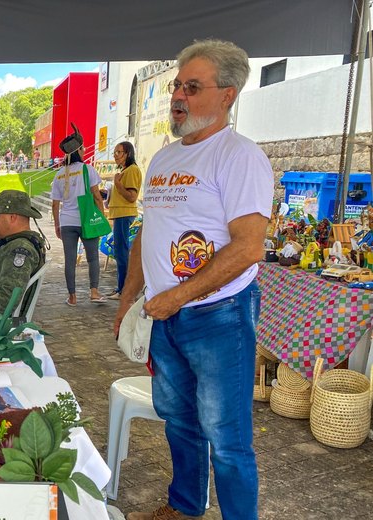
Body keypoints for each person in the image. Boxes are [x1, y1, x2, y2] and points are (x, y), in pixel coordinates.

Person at [114, 40, 272, 520]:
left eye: (193, 86)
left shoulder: (239, 156)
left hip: (218, 316)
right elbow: (147, 234)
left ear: (227, 95)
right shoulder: (163, 158)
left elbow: (248, 247)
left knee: (227, 438)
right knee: (179, 421)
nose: (178, 96)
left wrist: (175, 297)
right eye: (177, 85)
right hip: (165, 315)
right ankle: (186, 505)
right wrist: (128, 299)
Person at [50, 125, 106, 306]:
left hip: (67, 221)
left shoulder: (59, 174)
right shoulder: (88, 170)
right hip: (86, 220)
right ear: (80, 151)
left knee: (70, 260)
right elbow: (97, 196)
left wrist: (57, 225)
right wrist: (101, 216)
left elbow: (55, 204)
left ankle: (72, 297)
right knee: (92, 257)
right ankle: (94, 292)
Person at [106, 141, 142, 300]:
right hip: (119, 213)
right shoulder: (124, 171)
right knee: (119, 252)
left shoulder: (132, 170)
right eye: (114, 152)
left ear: (128, 153)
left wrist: (118, 184)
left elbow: (131, 196)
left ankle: (125, 290)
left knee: (121, 253)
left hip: (124, 214)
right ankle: (121, 287)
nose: (116, 155)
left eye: (119, 152)